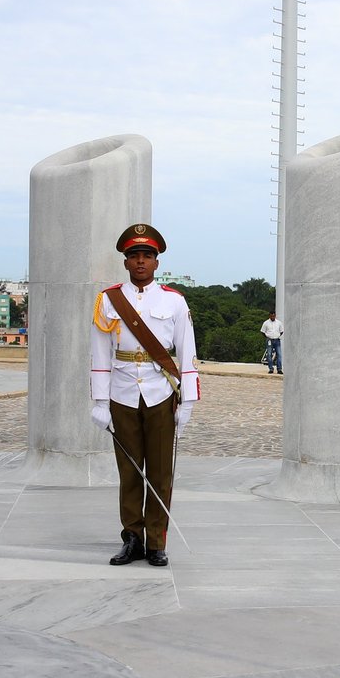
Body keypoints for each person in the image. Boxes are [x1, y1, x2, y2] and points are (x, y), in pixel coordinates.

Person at [91, 224, 198, 567]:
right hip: (122, 394)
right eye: (134, 256)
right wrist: (99, 401)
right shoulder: (109, 301)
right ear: (125, 262)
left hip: (160, 393)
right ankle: (132, 537)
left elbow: (186, 352)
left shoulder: (174, 301)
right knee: (129, 471)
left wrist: (189, 403)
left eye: (147, 256)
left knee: (160, 471)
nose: (140, 262)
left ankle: (156, 541)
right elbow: (100, 352)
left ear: (156, 262)